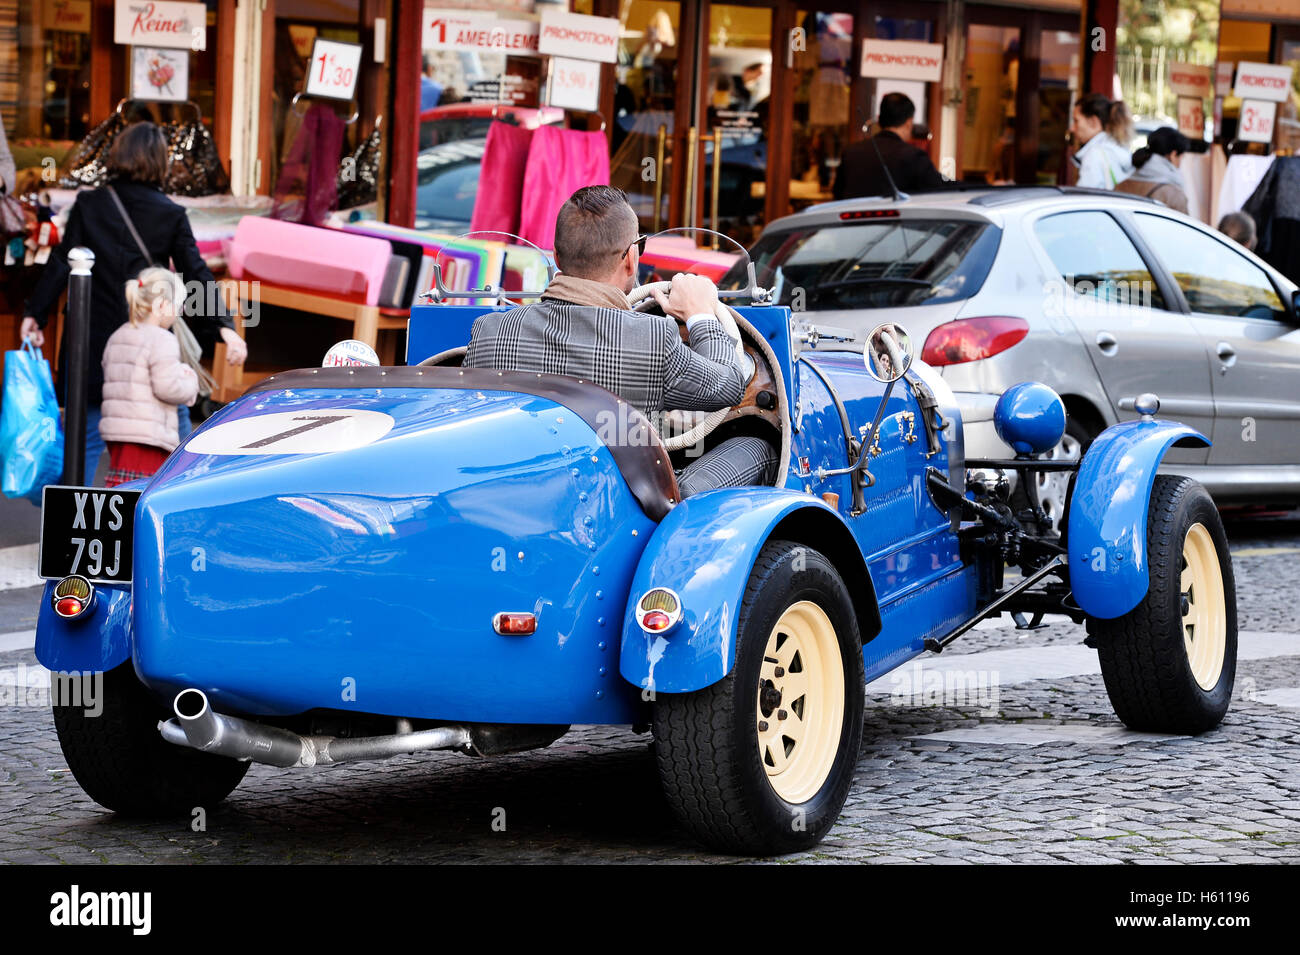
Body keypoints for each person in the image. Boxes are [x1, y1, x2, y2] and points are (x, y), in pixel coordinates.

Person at [464, 185, 777, 497]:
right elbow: (728, 385)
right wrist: (700, 314)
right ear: (631, 258)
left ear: (557, 257)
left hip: (513, 496)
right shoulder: (654, 338)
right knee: (759, 445)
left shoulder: (489, 331)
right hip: (616, 509)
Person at [19, 122, 245, 484]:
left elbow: (63, 261)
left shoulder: (91, 204)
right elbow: (196, 272)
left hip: (91, 346)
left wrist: (36, 313)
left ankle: (68, 532)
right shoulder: (170, 214)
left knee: (85, 443)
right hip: (149, 346)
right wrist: (225, 328)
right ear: (159, 162)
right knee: (174, 444)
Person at [99, 268, 198, 487]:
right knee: (144, 495)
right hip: (149, 436)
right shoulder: (162, 339)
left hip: (118, 434)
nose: (179, 312)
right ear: (162, 305)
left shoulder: (118, 335)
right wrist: (190, 382)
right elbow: (167, 387)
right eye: (178, 305)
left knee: (119, 490)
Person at [833, 93, 947, 199]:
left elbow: (837, 193)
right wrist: (964, 186)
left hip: (852, 219)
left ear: (879, 119)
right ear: (909, 122)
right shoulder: (913, 156)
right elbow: (939, 187)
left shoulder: (850, 152)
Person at [1116, 127, 1191, 213]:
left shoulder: (1121, 185)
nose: (1181, 162)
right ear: (1173, 155)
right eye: (1182, 157)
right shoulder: (1174, 195)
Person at [1070, 93, 1134, 190]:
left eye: (1076, 121)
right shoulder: (1118, 149)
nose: (1072, 129)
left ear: (1093, 122)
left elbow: (1084, 199)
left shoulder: (1094, 155)